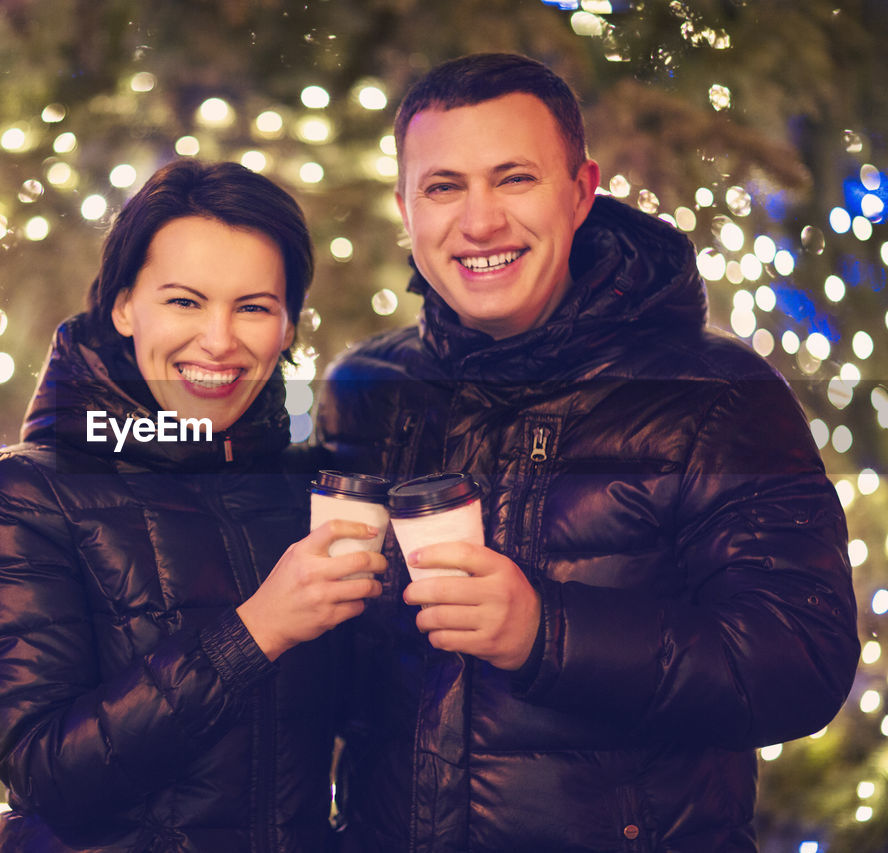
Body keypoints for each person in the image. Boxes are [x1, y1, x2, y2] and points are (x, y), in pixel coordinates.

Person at [317, 52, 860, 852]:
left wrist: (548, 632)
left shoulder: (713, 395)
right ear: (405, 206)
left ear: (580, 192)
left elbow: (802, 664)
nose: (479, 222)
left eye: (513, 178)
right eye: (443, 187)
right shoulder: (367, 390)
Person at [0, 159, 386, 852]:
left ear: (290, 325)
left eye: (253, 307)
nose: (218, 339)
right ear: (123, 305)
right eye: (185, 301)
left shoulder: (311, 491)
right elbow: (49, 770)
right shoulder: (25, 493)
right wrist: (255, 631)